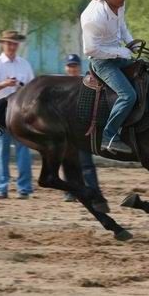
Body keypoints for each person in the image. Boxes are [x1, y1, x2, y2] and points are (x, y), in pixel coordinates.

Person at [80, 0, 138, 155]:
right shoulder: (93, 18)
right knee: (128, 95)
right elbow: (90, 50)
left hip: (118, 54)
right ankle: (108, 136)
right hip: (101, 61)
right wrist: (121, 51)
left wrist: (131, 42)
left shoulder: (118, 5)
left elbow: (122, 27)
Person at [0, 30, 35, 200]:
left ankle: (24, 188)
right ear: (3, 44)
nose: (12, 46)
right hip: (0, 111)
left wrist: (22, 88)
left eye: (14, 43)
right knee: (1, 151)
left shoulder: (24, 65)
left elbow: (32, 88)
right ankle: (1, 188)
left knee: (23, 151)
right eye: (9, 43)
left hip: (20, 112)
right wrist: (4, 83)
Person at [62, 54, 108, 208]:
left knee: (86, 163)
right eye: (70, 66)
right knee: (68, 162)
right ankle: (70, 192)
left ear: (79, 67)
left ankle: (94, 192)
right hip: (66, 130)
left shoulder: (87, 83)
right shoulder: (60, 85)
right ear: (66, 68)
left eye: (74, 66)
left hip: (82, 129)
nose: (72, 69)